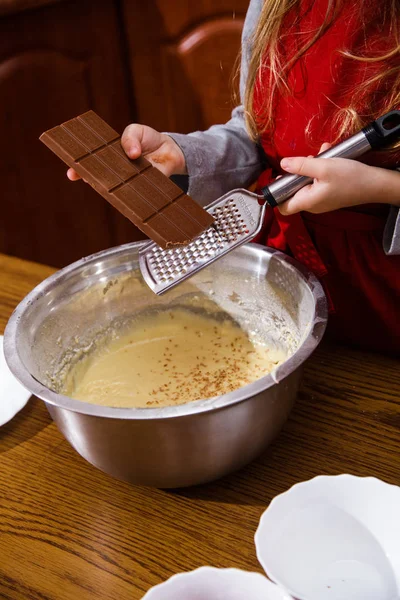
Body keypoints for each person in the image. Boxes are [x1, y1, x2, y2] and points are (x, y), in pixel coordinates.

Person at [68, 0, 400, 354]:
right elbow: (255, 131)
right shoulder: (276, 5)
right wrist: (181, 155)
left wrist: (381, 188)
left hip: (382, 294)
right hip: (282, 270)